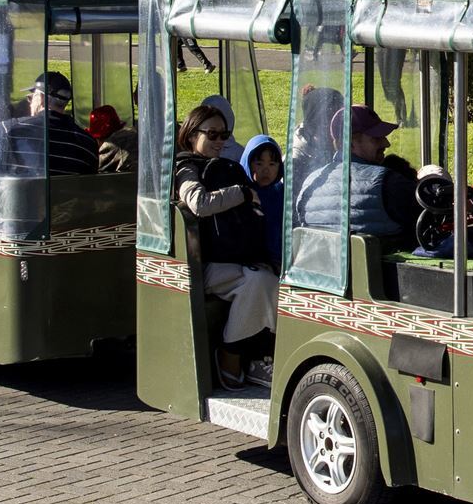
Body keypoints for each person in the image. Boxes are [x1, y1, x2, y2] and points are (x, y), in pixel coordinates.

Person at [174, 104, 277, 388]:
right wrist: (242, 193)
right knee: (260, 281)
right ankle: (232, 354)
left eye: (225, 134)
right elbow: (199, 204)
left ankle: (254, 357)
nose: (220, 141)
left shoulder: (229, 167)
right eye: (213, 134)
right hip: (205, 264)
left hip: (237, 259)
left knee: (267, 280)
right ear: (192, 134)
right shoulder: (186, 168)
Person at [301, 104, 418, 235]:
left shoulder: (310, 183)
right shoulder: (388, 182)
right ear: (349, 144)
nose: (386, 143)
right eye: (376, 138)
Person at [28, 70, 102, 175]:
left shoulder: (13, 131)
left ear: (41, 98)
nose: (30, 104)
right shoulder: (87, 142)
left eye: (30, 98)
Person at [243, 134, 285, 272]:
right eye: (259, 164)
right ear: (248, 163)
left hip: (281, 259)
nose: (266, 170)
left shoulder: (281, 192)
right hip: (254, 262)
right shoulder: (243, 193)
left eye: (272, 164)